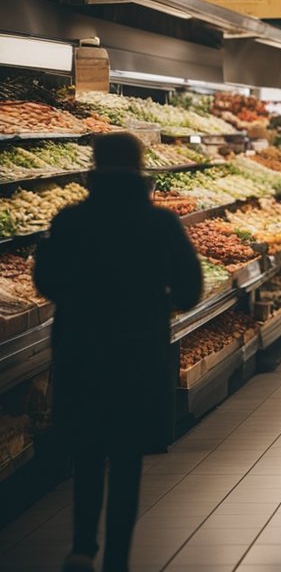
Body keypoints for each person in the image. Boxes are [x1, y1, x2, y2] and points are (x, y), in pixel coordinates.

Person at [34, 133, 202, 572]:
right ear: (141, 170)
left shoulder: (69, 221)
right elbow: (190, 289)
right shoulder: (161, 223)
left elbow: (46, 283)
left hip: (80, 349)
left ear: (93, 168)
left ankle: (82, 547)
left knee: (88, 451)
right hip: (138, 353)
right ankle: (117, 560)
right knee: (127, 459)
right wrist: (156, 303)